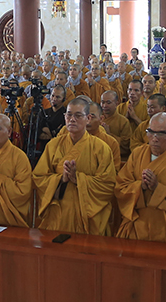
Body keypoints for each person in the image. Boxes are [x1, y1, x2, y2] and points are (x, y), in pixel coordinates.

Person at [33, 96, 116, 235]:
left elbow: (107, 186)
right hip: (57, 215)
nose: (72, 119)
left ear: (88, 118)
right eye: (69, 115)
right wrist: (61, 179)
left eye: (78, 115)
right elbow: (39, 178)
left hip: (87, 217)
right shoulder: (53, 145)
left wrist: (79, 179)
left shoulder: (101, 148)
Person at [115, 112, 166, 244]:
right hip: (135, 225)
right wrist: (140, 186)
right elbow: (120, 187)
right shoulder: (137, 154)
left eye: (160, 134)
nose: (154, 138)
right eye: (150, 132)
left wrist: (158, 188)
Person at [100, 90, 134, 163]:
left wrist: (109, 135)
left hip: (116, 159)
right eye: (102, 102)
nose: (104, 105)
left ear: (116, 104)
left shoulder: (123, 121)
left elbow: (126, 146)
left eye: (108, 102)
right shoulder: (97, 119)